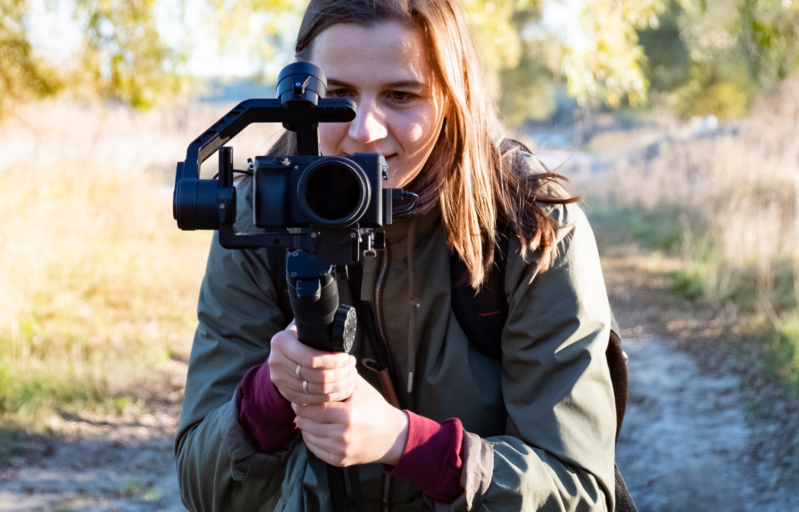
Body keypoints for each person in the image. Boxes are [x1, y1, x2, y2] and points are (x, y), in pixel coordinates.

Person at [174, 0, 617, 510]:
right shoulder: (262, 215)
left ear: (453, 97)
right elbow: (202, 488)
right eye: (337, 95)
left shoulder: (532, 230)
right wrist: (270, 397)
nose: (365, 129)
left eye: (401, 95)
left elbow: (581, 492)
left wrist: (408, 444)